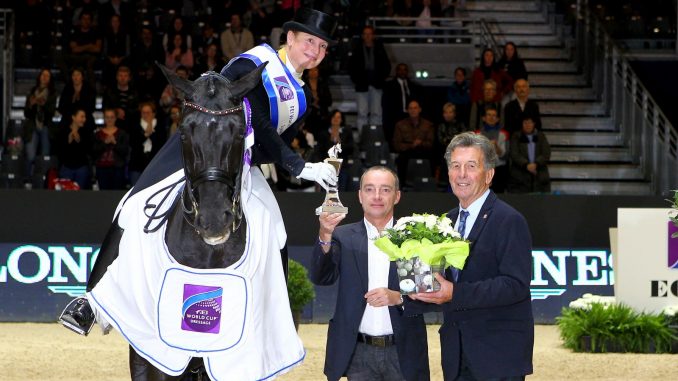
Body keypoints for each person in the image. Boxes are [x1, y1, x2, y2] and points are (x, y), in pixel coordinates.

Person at [411, 132, 534, 380]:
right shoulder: (445, 222)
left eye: (471, 166)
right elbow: (436, 282)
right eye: (455, 166)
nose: (462, 174)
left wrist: (454, 292)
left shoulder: (509, 220)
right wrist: (414, 284)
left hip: (497, 356)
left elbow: (515, 285)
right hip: (456, 356)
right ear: (448, 174)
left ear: (489, 174)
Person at [311, 166, 430, 381]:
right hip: (357, 353)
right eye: (369, 189)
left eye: (385, 190)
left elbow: (426, 298)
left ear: (397, 196)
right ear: (360, 196)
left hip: (403, 352)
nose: (377, 196)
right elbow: (322, 277)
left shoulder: (412, 239)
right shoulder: (343, 236)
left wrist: (397, 298)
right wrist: (325, 234)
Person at [348, 25, 391, 138]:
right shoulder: (357, 48)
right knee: (362, 113)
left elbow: (387, 66)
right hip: (362, 85)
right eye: (365, 34)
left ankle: (376, 137)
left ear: (373, 35)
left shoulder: (379, 48)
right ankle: (363, 138)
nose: (367, 36)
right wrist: (357, 80)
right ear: (362, 36)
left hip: (376, 84)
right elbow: (351, 67)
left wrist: (381, 78)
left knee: (376, 112)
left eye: (369, 33)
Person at [23, 68, 58, 177]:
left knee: (45, 155)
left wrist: (43, 104)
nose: (44, 77)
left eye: (47, 75)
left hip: (46, 126)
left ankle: (43, 179)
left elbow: (51, 113)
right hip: (32, 126)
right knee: (30, 155)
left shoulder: (52, 93)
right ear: (39, 77)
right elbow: (26, 113)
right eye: (43, 74)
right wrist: (31, 105)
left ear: (50, 79)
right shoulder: (32, 91)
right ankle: (28, 179)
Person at [392, 100, 435, 185]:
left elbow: (430, 143)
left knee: (433, 158)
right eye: (410, 108)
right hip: (407, 152)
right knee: (401, 159)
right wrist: (411, 145)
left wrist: (420, 143)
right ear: (407, 110)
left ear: (420, 109)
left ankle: (429, 185)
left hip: (423, 150)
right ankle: (402, 186)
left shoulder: (428, 124)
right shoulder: (400, 125)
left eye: (415, 108)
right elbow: (397, 145)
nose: (413, 110)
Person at [314, 109, 355, 191]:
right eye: (334, 117)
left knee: (342, 193)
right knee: (326, 193)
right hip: (327, 169)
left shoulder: (346, 132)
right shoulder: (324, 133)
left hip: (342, 168)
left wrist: (339, 143)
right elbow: (319, 151)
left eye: (338, 117)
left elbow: (351, 148)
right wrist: (331, 141)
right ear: (330, 118)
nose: (336, 119)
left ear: (341, 119)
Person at [509, 116, 551, 193]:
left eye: (530, 123)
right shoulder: (516, 136)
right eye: (525, 123)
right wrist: (526, 165)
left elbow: (546, 153)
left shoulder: (541, 136)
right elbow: (514, 154)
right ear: (521, 124)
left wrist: (536, 164)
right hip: (519, 178)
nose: (527, 125)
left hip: (540, 176)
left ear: (534, 123)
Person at [128, 101, 165, 186]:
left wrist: (151, 131)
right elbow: (133, 143)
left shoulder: (160, 126)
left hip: (155, 164)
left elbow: (161, 144)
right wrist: (145, 135)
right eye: (143, 112)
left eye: (148, 112)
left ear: (153, 113)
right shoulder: (135, 126)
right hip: (137, 164)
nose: (145, 115)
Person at [382, 63, 420, 147]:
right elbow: (386, 103)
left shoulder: (413, 86)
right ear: (396, 71)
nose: (402, 72)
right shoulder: (389, 86)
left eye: (405, 70)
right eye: (400, 69)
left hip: (409, 116)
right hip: (394, 116)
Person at [474, 105, 509, 193]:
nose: (491, 117)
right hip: (481, 170)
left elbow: (505, 156)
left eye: (494, 115)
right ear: (484, 118)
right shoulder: (476, 134)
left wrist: (496, 147)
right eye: (489, 115)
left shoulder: (504, 134)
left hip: (499, 171)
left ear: (497, 119)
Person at [55, 108, 93, 189]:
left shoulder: (86, 132)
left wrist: (79, 141)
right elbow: (59, 151)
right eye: (82, 117)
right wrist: (68, 141)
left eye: (85, 117)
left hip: (81, 167)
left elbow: (89, 150)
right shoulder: (63, 131)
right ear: (73, 117)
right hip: (66, 167)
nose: (84, 119)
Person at [93, 108, 129, 190]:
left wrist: (114, 143)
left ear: (115, 118)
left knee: (116, 194)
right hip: (101, 169)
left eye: (112, 117)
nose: (109, 119)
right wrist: (105, 143)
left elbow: (125, 151)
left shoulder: (122, 133)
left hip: (117, 169)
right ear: (104, 118)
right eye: (107, 117)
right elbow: (94, 151)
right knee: (104, 195)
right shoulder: (97, 134)